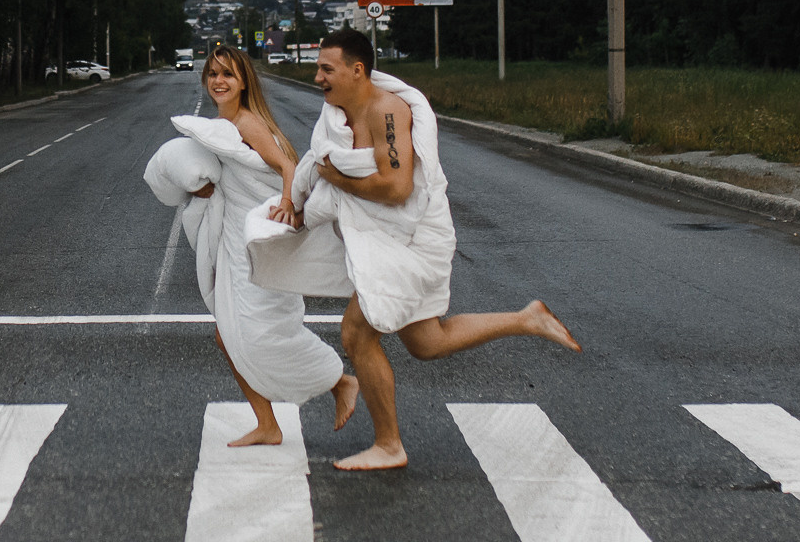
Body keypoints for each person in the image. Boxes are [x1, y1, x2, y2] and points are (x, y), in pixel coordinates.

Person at [307, 27, 579, 470]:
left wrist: (335, 179)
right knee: (427, 342)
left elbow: (396, 189)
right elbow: (318, 163)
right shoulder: (338, 117)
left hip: (413, 238)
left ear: (357, 70)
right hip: (387, 238)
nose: (317, 77)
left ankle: (389, 445)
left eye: (326, 68)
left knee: (357, 334)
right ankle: (526, 318)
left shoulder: (387, 111)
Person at [142, 43, 359, 447]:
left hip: (252, 245)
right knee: (228, 335)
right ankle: (268, 424)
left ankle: (339, 381)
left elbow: (287, 166)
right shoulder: (223, 126)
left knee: (263, 334)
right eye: (212, 74)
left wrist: (288, 205)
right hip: (232, 242)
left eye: (227, 74)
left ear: (244, 82)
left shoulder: (245, 122)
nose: (218, 81)